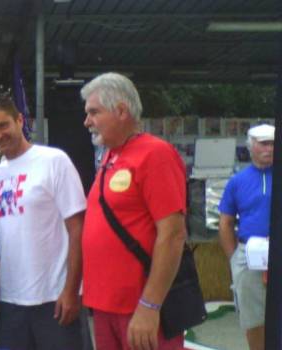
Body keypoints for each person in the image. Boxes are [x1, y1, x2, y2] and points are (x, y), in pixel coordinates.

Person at [81, 72, 187, 350]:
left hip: (140, 308)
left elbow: (173, 234)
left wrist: (150, 305)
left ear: (121, 110)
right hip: (106, 306)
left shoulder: (155, 154)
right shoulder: (111, 156)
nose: (87, 122)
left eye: (94, 112)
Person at [0, 96, 87, 350]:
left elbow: (78, 229)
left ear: (20, 120)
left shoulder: (54, 161)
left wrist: (71, 291)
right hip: (11, 302)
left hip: (53, 298)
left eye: (3, 125)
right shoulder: (0, 173)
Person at [218, 124, 274, 350]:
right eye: (264, 143)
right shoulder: (237, 181)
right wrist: (234, 257)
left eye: (273, 143)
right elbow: (226, 222)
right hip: (248, 254)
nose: (269, 148)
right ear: (251, 147)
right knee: (253, 317)